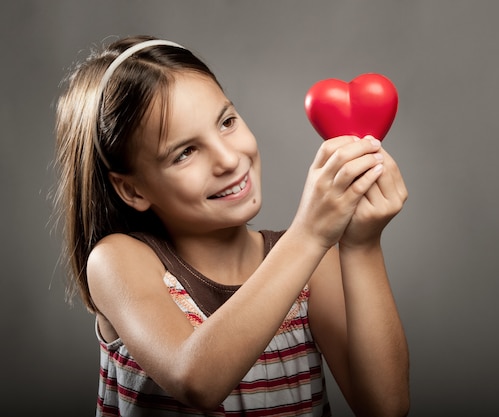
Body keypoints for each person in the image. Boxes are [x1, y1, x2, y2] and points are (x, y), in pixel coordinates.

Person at [53, 35, 410, 417]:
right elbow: (196, 381)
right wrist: (310, 234)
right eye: (185, 152)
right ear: (132, 189)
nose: (227, 158)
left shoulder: (313, 267)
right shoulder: (117, 262)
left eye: (226, 122)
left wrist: (362, 245)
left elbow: (386, 407)